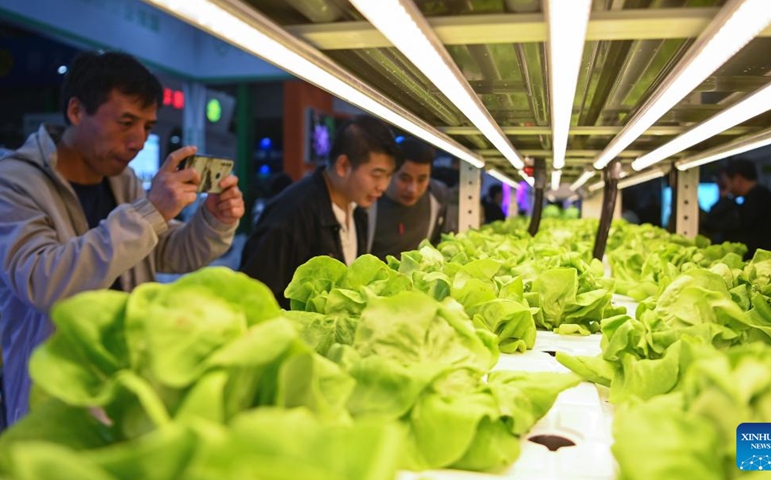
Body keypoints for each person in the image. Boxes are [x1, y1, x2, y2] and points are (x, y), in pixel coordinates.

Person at [0, 51, 244, 425]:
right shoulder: (15, 181)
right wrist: (150, 213)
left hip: (127, 383)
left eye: (147, 126)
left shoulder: (122, 179)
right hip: (52, 394)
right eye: (126, 122)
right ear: (77, 111)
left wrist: (212, 221)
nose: (138, 141)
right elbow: (40, 280)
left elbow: (166, 252)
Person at [240, 115, 399, 308]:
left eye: (389, 176)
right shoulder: (290, 215)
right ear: (343, 166)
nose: (383, 186)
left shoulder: (357, 208)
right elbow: (251, 297)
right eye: (377, 175)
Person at [367, 137, 451, 260]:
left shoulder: (437, 198)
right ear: (390, 173)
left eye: (422, 179)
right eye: (404, 178)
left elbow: (438, 242)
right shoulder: (367, 202)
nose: (413, 189)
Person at [702, 159, 771, 259]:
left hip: (760, 262)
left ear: (738, 179)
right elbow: (710, 224)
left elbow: (717, 223)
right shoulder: (756, 196)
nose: (726, 185)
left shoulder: (758, 197)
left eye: (727, 181)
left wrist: (725, 198)